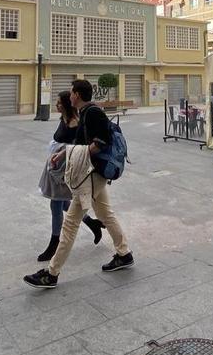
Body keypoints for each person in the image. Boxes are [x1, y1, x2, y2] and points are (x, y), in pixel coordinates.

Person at [24, 80, 133, 289]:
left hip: (94, 174)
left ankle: (51, 273)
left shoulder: (92, 113)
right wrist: (63, 154)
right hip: (94, 173)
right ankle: (124, 253)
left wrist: (74, 154)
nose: (69, 96)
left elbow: (100, 143)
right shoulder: (85, 113)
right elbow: (84, 143)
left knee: (71, 223)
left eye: (72, 92)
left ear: (77, 95)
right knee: (105, 214)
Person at [36, 91, 105, 262]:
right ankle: (92, 223)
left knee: (56, 203)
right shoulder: (64, 118)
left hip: (63, 167)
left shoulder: (75, 122)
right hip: (55, 164)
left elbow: (77, 146)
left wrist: (61, 156)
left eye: (59, 103)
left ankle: (55, 241)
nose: (57, 105)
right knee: (63, 202)